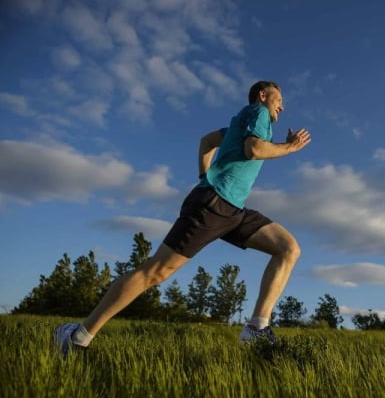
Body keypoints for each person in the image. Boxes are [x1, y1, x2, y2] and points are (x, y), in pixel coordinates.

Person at [53, 81, 311, 355]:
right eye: (279, 99)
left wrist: (204, 175)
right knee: (156, 272)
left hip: (233, 210)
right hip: (212, 205)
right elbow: (255, 150)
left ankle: (256, 329)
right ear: (263, 95)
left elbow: (207, 142)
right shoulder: (257, 113)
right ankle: (77, 337)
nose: (281, 106)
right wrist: (290, 147)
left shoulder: (242, 123)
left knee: (288, 248)